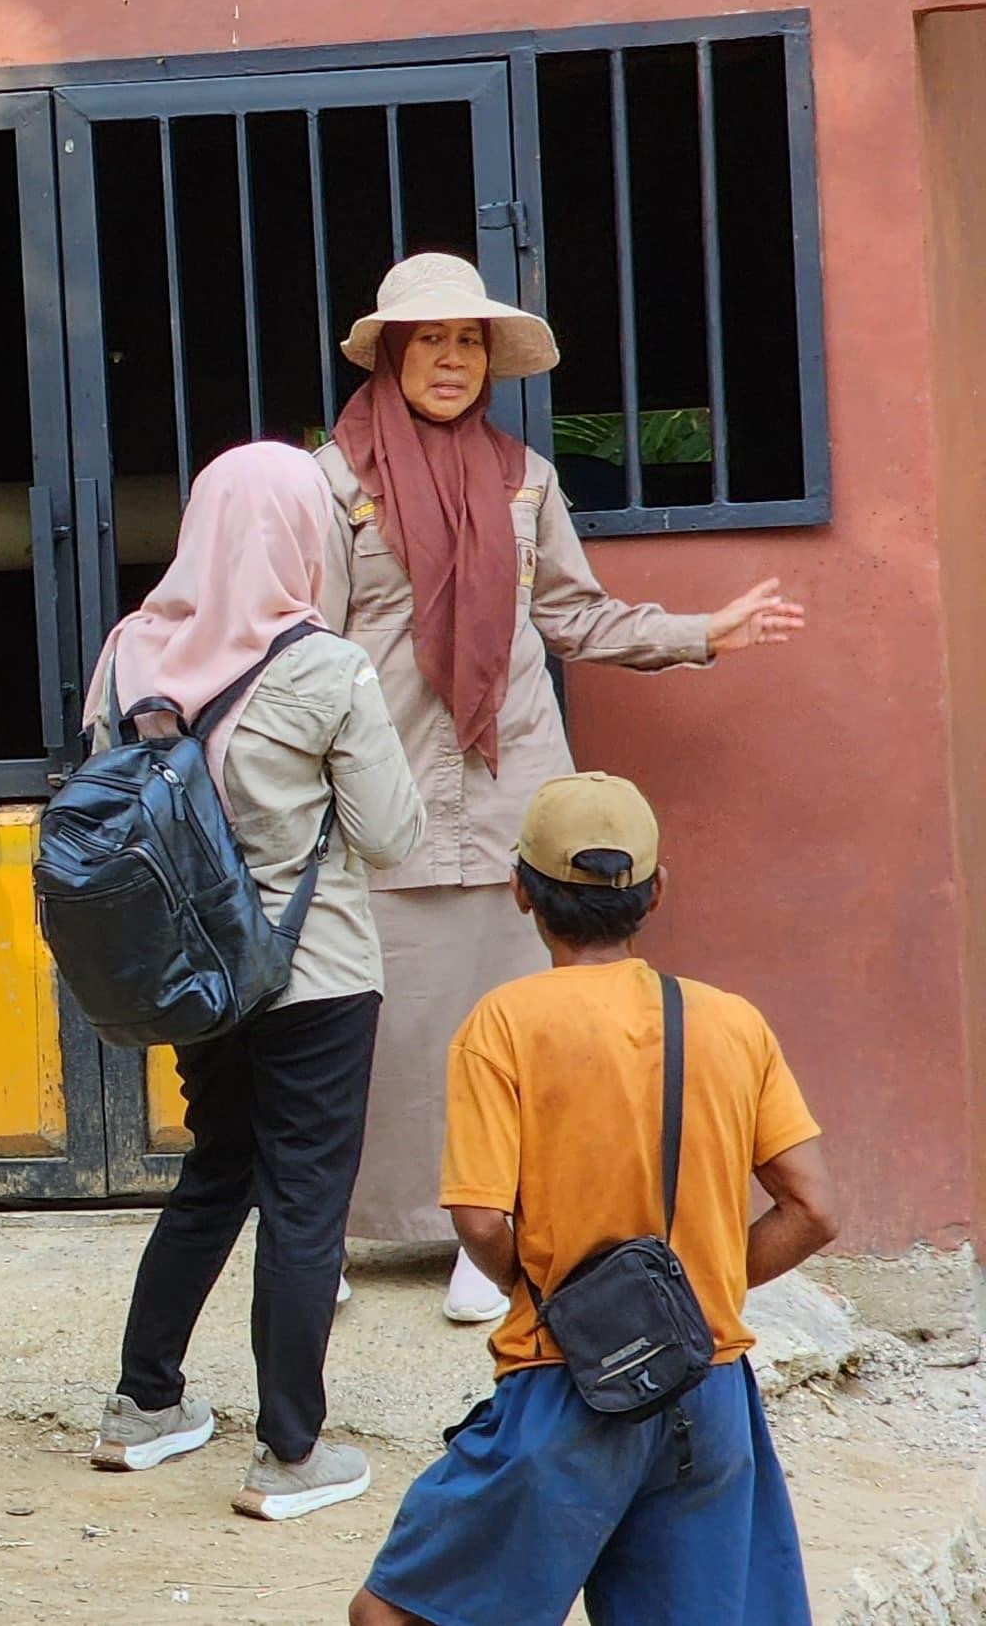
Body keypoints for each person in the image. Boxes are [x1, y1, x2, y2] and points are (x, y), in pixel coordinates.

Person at [319, 252, 806, 1322]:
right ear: (391, 350)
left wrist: (698, 633)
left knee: (505, 1013)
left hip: (507, 783)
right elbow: (307, 640)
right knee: (377, 1018)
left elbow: (573, 617)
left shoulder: (522, 478)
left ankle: (481, 1227)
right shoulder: (330, 482)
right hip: (383, 784)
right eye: (429, 339)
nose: (450, 359)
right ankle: (335, 1232)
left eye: (467, 342)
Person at [354, 772, 834, 1624]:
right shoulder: (732, 1022)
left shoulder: (502, 1025)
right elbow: (814, 1210)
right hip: (709, 1391)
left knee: (394, 1614)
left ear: (519, 891)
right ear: (656, 893)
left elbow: (477, 1217)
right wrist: (692, 1294)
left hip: (565, 1386)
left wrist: (550, 1298)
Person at [84, 442, 425, 1522]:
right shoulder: (324, 666)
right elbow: (390, 833)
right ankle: (289, 1451)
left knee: (216, 1169)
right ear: (300, 532)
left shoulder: (132, 650)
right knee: (304, 1203)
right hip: (311, 970)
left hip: (194, 975)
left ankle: (144, 1405)